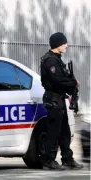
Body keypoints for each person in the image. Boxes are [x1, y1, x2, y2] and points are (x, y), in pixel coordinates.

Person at [40, 32, 83, 170]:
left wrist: (72, 85)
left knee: (64, 131)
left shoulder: (57, 59)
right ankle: (49, 160)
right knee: (54, 131)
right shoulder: (50, 60)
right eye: (64, 43)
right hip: (53, 99)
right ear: (58, 44)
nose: (66, 45)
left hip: (59, 98)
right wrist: (73, 83)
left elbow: (62, 78)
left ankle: (67, 158)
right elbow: (58, 79)